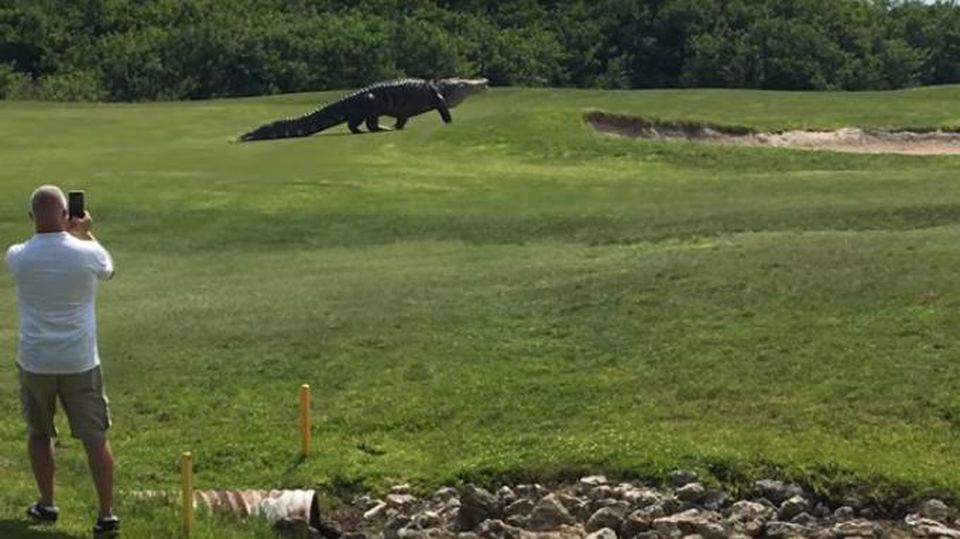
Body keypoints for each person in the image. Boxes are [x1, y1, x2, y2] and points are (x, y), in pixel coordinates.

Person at [4, 185, 119, 536]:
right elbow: (109, 269)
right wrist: (86, 233)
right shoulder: (87, 253)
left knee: (40, 434)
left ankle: (47, 504)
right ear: (67, 215)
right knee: (95, 437)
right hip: (80, 361)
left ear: (31, 218)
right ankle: (106, 514)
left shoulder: (17, 255)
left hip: (36, 361)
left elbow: (33, 250)